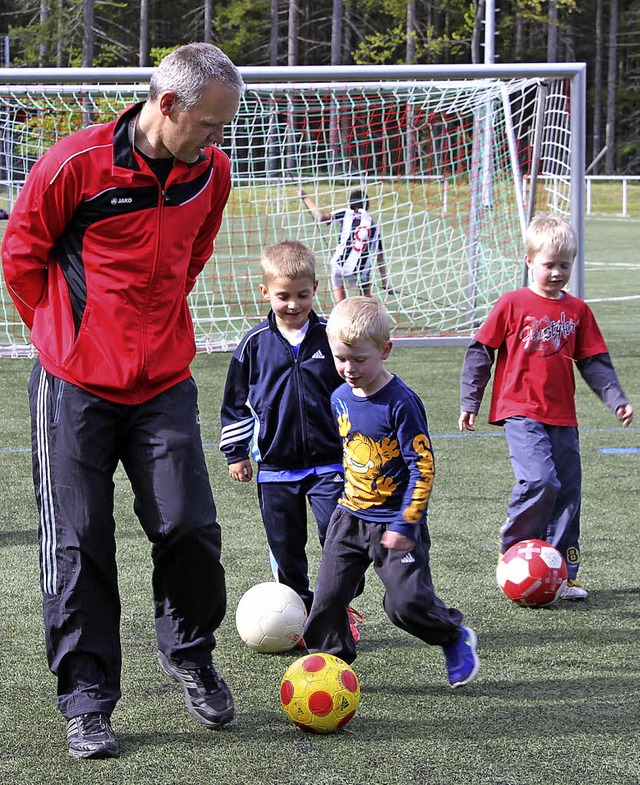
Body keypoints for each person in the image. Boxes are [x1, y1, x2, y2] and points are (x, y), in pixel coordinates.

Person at [1, 43, 245, 759]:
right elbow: (21, 257)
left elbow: (193, 252)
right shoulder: (74, 165)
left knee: (191, 526)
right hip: (73, 386)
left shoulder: (213, 173)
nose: (217, 140)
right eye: (208, 123)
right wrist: (65, 340)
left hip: (164, 381)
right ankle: (86, 699)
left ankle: (190, 651)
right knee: (77, 542)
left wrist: (153, 328)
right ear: (165, 105)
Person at [303, 296, 480, 689]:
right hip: (348, 518)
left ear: (385, 350)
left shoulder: (401, 403)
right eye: (340, 359)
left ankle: (452, 634)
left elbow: (423, 468)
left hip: (395, 524)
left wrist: (406, 523)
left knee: (405, 607)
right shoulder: (339, 398)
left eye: (359, 360)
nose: (349, 369)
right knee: (326, 604)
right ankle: (331, 669)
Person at [458, 213, 634, 600]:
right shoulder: (512, 303)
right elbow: (480, 353)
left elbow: (594, 362)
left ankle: (564, 573)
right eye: (548, 265)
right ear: (529, 261)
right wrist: (470, 400)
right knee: (540, 480)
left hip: (563, 416)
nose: (556, 273)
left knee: (568, 490)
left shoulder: (577, 311)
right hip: (520, 410)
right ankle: (513, 549)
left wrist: (616, 399)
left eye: (564, 265)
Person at [219, 240, 363, 641]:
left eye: (302, 295)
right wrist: (236, 453)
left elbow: (358, 390)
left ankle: (338, 607)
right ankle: (300, 617)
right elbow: (236, 403)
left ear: (315, 288)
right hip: (276, 468)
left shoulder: (332, 336)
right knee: (286, 549)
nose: (294, 304)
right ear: (265, 292)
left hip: (331, 464)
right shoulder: (254, 345)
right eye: (284, 296)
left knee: (338, 538)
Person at [298, 187, 393, 302]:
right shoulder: (372, 224)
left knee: (340, 303)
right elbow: (379, 255)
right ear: (367, 205)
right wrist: (385, 281)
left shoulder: (346, 213)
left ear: (350, 204)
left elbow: (322, 217)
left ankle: (340, 309)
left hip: (339, 265)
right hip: (361, 270)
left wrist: (305, 197)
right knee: (366, 300)